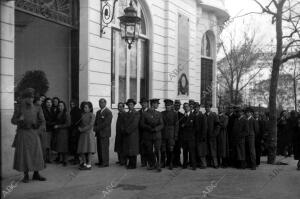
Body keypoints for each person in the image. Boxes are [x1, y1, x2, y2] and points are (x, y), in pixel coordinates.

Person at [11, 88, 46, 183]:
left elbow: (42, 121)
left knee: (36, 154)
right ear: (24, 98)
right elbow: (13, 120)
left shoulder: (37, 107)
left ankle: (36, 174)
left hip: (34, 133)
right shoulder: (19, 107)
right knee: (25, 155)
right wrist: (19, 119)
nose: (31, 99)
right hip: (23, 133)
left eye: (32, 97)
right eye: (29, 97)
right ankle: (25, 175)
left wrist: (38, 131)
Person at [140, 98, 164, 172]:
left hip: (157, 135)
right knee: (149, 150)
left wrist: (156, 129)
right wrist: (148, 128)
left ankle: (158, 165)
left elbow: (162, 124)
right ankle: (152, 164)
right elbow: (142, 124)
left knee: (157, 150)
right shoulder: (145, 113)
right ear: (152, 104)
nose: (157, 105)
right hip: (148, 135)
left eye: (157, 104)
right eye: (156, 104)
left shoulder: (159, 113)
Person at [77, 101, 96, 170]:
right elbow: (80, 123)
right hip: (82, 135)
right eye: (84, 107)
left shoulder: (92, 115)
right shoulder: (82, 115)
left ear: (90, 108)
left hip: (88, 134)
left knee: (89, 150)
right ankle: (84, 163)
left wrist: (82, 129)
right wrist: (79, 128)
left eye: (86, 107)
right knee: (82, 150)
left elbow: (91, 125)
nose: (84, 109)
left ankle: (89, 164)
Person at [94, 98, 113, 167]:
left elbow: (106, 123)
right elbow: (96, 121)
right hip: (99, 133)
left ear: (105, 103)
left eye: (102, 102)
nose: (100, 104)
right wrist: (95, 127)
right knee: (99, 148)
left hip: (104, 133)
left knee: (104, 148)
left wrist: (96, 128)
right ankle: (101, 161)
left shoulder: (108, 112)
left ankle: (105, 163)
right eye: (99, 102)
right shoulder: (98, 112)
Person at [161, 99, 178, 170]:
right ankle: (163, 162)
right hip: (164, 133)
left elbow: (176, 125)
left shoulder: (174, 114)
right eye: (166, 105)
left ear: (171, 106)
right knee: (163, 149)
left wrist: (176, 135)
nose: (167, 107)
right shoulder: (162, 113)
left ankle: (171, 162)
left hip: (171, 133)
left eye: (168, 105)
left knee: (171, 148)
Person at [123, 99, 140, 169]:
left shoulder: (136, 113)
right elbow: (124, 123)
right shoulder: (126, 113)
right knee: (128, 149)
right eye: (129, 105)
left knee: (133, 149)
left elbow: (135, 124)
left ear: (134, 105)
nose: (130, 106)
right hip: (127, 134)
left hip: (133, 134)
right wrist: (124, 130)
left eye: (131, 105)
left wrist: (127, 130)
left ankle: (133, 165)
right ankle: (130, 163)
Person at [53, 101, 70, 166]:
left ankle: (65, 161)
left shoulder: (66, 113)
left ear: (64, 106)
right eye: (59, 106)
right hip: (58, 132)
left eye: (61, 106)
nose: (60, 107)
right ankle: (61, 160)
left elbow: (68, 124)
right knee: (59, 146)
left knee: (64, 146)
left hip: (64, 132)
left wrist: (58, 126)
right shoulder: (58, 113)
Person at [180, 102, 196, 170]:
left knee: (192, 152)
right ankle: (185, 164)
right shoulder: (182, 116)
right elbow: (181, 127)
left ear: (190, 107)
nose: (185, 108)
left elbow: (195, 127)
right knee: (185, 151)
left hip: (191, 137)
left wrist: (186, 125)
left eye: (187, 106)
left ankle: (193, 165)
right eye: (184, 107)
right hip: (184, 137)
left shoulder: (193, 116)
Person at [205, 104, 220, 168]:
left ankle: (215, 163)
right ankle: (208, 163)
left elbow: (217, 125)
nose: (207, 108)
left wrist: (214, 134)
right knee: (207, 150)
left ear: (210, 107)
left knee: (213, 150)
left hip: (212, 135)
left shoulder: (214, 115)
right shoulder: (204, 115)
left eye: (208, 107)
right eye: (206, 107)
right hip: (206, 136)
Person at [194, 102, 207, 169]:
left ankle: (204, 164)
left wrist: (203, 136)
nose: (196, 108)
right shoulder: (193, 115)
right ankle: (198, 163)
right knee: (196, 151)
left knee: (201, 151)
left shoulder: (202, 116)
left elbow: (204, 127)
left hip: (201, 136)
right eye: (195, 107)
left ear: (199, 108)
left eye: (197, 107)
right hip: (195, 136)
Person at [69, 99, 82, 165]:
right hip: (74, 129)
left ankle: (77, 159)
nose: (72, 105)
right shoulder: (73, 110)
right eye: (71, 104)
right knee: (74, 145)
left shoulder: (77, 111)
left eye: (73, 104)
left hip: (76, 130)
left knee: (76, 145)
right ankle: (75, 158)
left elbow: (76, 121)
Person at [42, 98, 55, 163]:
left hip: (52, 129)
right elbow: (44, 120)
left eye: (50, 102)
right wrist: (52, 123)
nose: (49, 103)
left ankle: (49, 158)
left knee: (50, 145)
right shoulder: (43, 110)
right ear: (45, 103)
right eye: (47, 102)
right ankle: (44, 159)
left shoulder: (53, 110)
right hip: (46, 129)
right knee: (45, 145)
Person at [138, 98, 149, 167]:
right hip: (140, 133)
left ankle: (149, 162)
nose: (143, 104)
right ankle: (143, 162)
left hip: (148, 133)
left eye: (145, 103)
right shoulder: (138, 112)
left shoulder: (150, 111)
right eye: (142, 103)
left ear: (147, 104)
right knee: (142, 149)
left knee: (148, 148)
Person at [173, 100, 184, 167]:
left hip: (179, 135)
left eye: (178, 105)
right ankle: (172, 162)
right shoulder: (171, 113)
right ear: (174, 106)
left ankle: (178, 162)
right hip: (172, 134)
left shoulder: (181, 115)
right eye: (176, 105)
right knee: (172, 149)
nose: (177, 106)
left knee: (178, 149)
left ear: (180, 106)